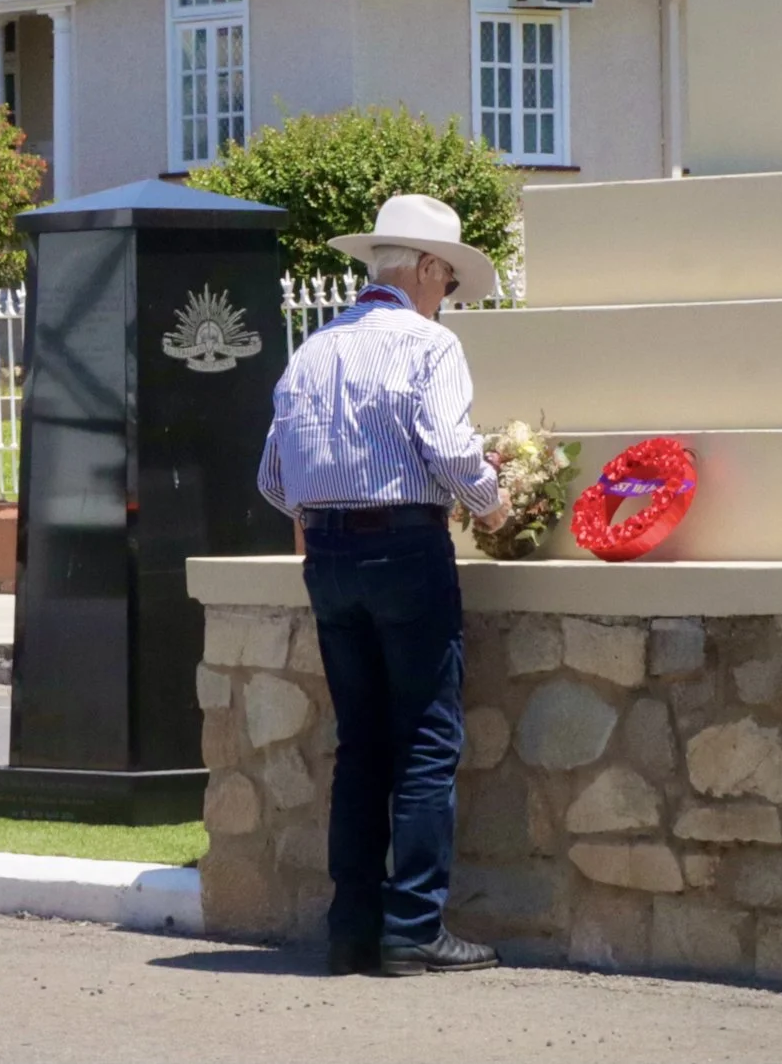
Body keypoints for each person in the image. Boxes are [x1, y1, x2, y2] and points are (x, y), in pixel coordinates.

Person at [257, 195, 509, 978]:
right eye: (449, 283)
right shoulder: (430, 345)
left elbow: (272, 479)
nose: (448, 299)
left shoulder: (313, 348)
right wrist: (492, 501)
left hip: (326, 553)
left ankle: (351, 926)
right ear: (427, 269)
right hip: (405, 546)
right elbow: (448, 445)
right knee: (428, 741)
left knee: (360, 744)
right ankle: (414, 926)